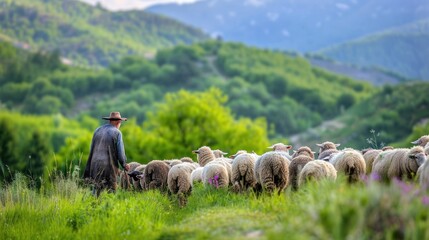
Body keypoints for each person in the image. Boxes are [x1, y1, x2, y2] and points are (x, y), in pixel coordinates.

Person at [83, 112, 130, 196]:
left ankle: (94, 206)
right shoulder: (117, 132)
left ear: (110, 120)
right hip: (108, 166)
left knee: (96, 190)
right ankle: (108, 207)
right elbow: (121, 153)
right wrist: (124, 164)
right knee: (111, 192)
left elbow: (92, 149)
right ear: (118, 122)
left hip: (94, 165)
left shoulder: (97, 130)